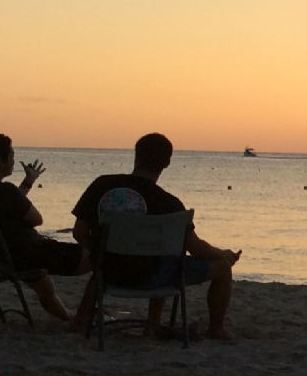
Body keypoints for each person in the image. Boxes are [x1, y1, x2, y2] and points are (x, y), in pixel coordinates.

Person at [70, 133, 241, 340]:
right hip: (153, 278)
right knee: (219, 268)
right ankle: (214, 329)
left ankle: (81, 318)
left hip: (108, 273)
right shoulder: (170, 204)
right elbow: (196, 249)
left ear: (136, 155)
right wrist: (223, 254)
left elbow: (79, 232)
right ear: (167, 163)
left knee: (124, 262)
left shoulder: (102, 185)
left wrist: (100, 255)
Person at [0, 132, 91, 322]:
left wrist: (28, 182)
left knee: (45, 286)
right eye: (11, 156)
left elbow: (8, 205)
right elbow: (37, 219)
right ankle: (85, 317)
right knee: (96, 257)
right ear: (0, 160)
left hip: (3, 257)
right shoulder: (5, 191)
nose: (14, 161)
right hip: (30, 254)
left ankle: (70, 316)